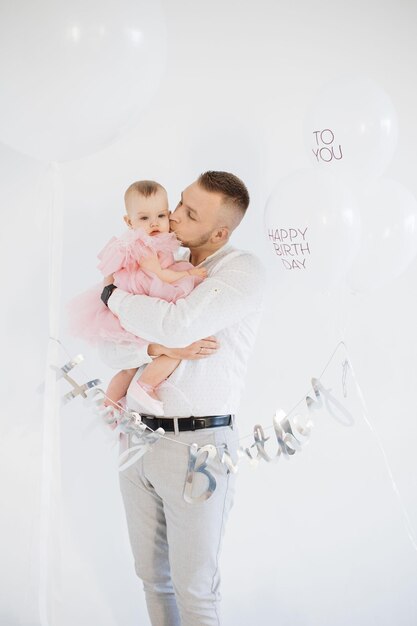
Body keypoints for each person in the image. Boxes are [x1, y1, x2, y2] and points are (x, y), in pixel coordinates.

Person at [100, 170, 266, 626]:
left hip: (199, 449)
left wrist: (113, 297)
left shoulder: (241, 270)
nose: (172, 216)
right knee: (151, 578)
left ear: (219, 232)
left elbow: (180, 323)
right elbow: (111, 346)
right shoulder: (162, 259)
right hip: (137, 439)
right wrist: (155, 348)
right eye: (180, 203)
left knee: (195, 589)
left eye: (189, 213)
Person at [68, 179, 207, 416]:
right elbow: (162, 274)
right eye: (144, 218)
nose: (154, 223)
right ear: (129, 221)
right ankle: (138, 391)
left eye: (161, 216)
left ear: (169, 215)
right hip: (145, 291)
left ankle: (110, 407)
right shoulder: (141, 245)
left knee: (133, 366)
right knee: (159, 353)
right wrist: (191, 272)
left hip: (148, 291)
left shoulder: (162, 241)